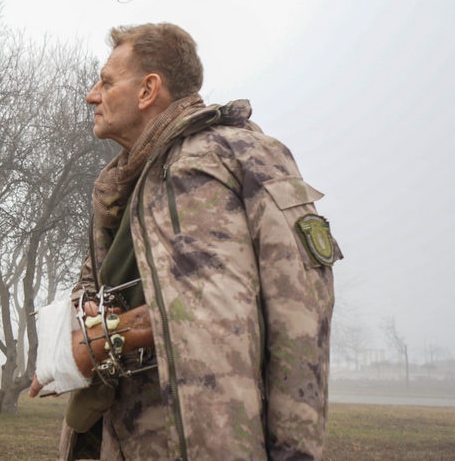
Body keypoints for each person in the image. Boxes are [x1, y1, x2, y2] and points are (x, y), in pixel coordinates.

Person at [30, 23, 341, 460]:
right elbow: (97, 286)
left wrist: (111, 336)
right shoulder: (120, 185)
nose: (91, 95)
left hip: (212, 442)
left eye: (106, 81)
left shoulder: (238, 157)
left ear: (147, 90)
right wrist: (85, 315)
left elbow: (299, 308)